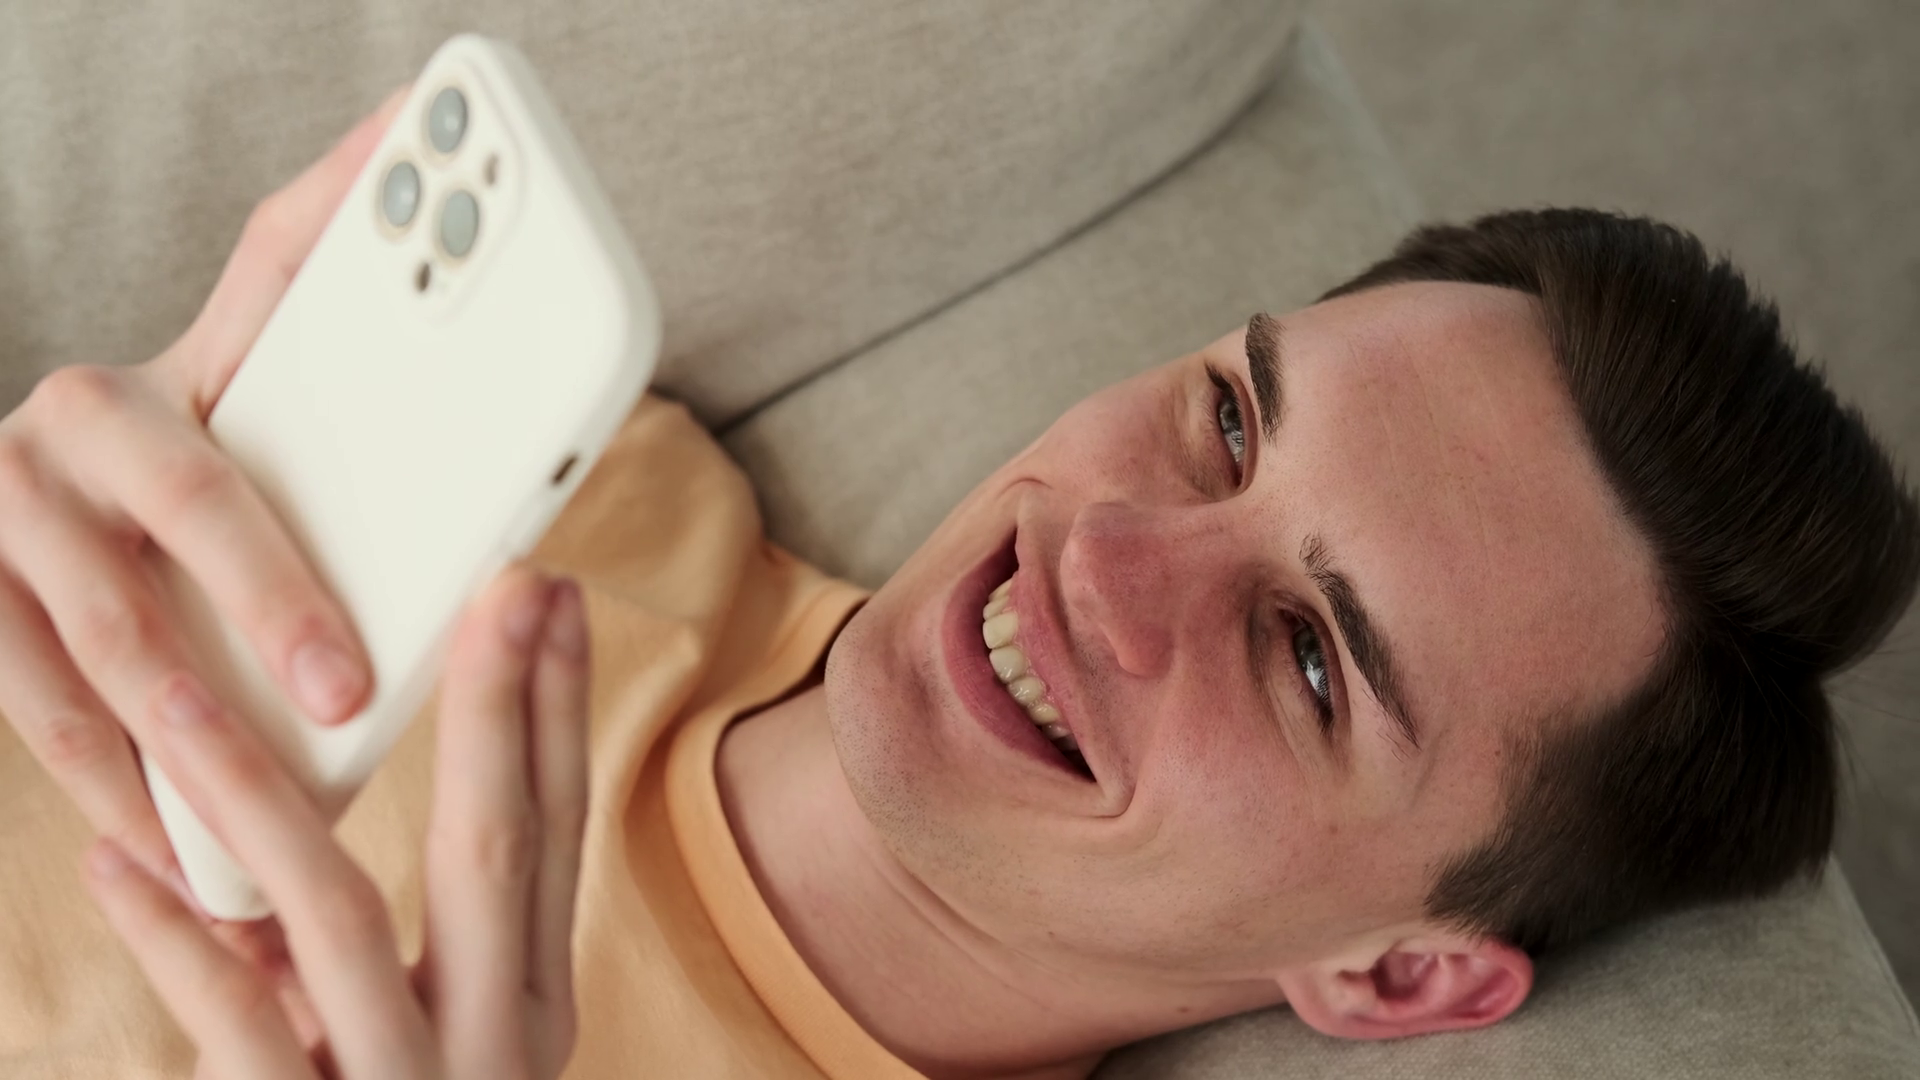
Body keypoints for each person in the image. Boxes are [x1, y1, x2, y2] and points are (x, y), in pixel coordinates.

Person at [0, 93, 1913, 1080]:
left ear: (1397, 973)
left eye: (1313, 664)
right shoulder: (578, 465)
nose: (1109, 558)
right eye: (1231, 421)